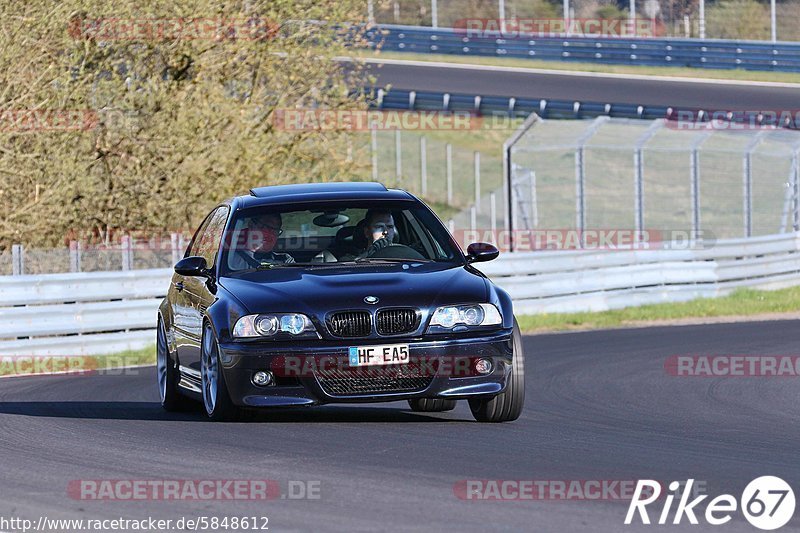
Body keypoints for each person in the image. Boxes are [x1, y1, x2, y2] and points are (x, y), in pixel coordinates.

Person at [229, 213, 295, 270]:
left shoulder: (286, 260)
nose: (270, 234)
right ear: (251, 225)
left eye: (275, 230)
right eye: (266, 227)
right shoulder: (231, 261)